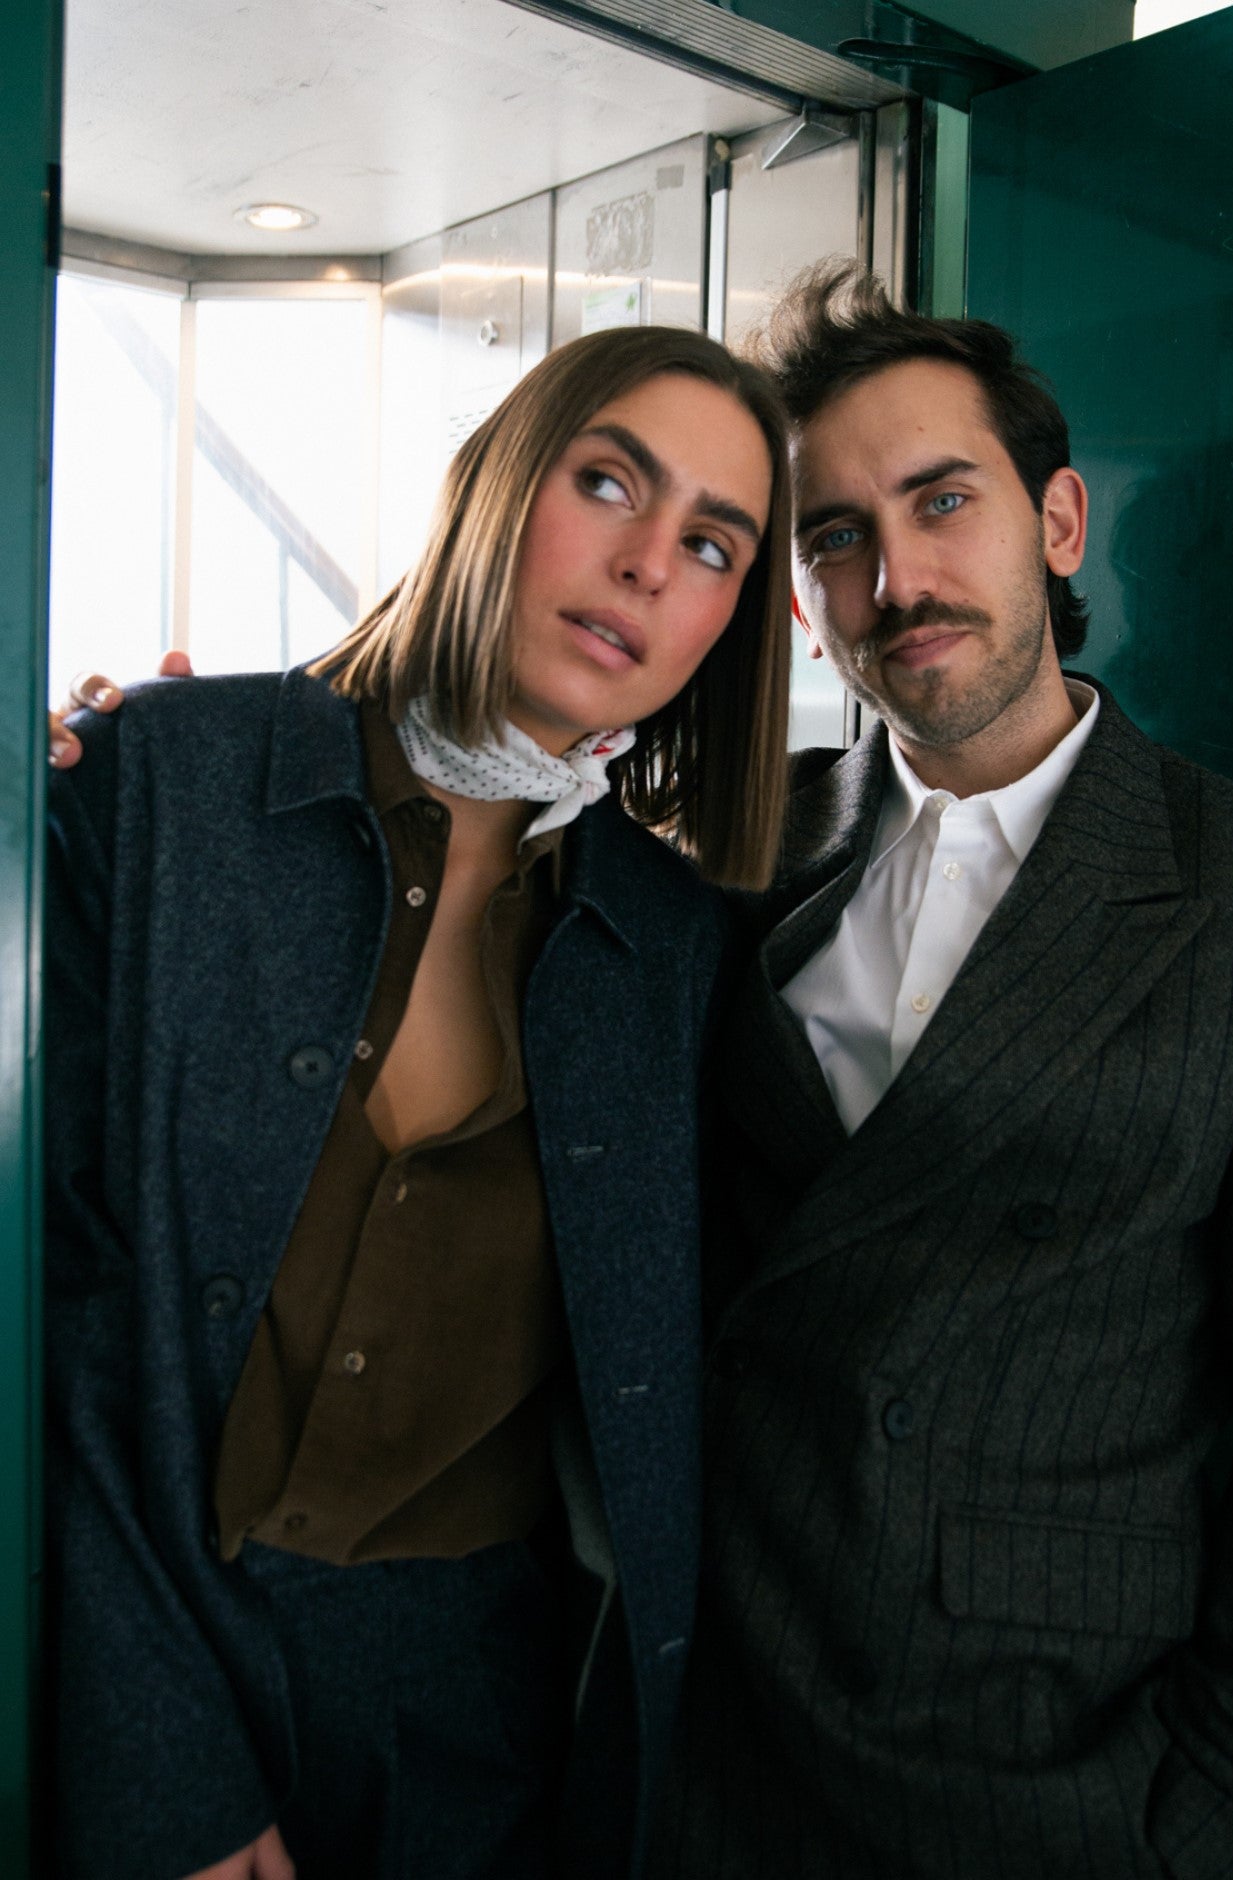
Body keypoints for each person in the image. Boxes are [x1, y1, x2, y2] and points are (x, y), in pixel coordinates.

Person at [44, 322, 793, 1880]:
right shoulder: (160, 781)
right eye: (610, 483)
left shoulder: (680, 950)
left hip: (476, 1727)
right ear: (492, 485)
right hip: (128, 1640)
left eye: (714, 544)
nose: (649, 565)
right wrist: (163, 1755)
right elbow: (56, 1299)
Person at [646, 260, 1233, 1878]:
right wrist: (101, 772)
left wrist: (1222, 1811)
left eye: (943, 501)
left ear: (1057, 523)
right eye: (835, 538)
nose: (899, 579)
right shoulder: (724, 850)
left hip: (1069, 1763)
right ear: (801, 597)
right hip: (722, 1726)